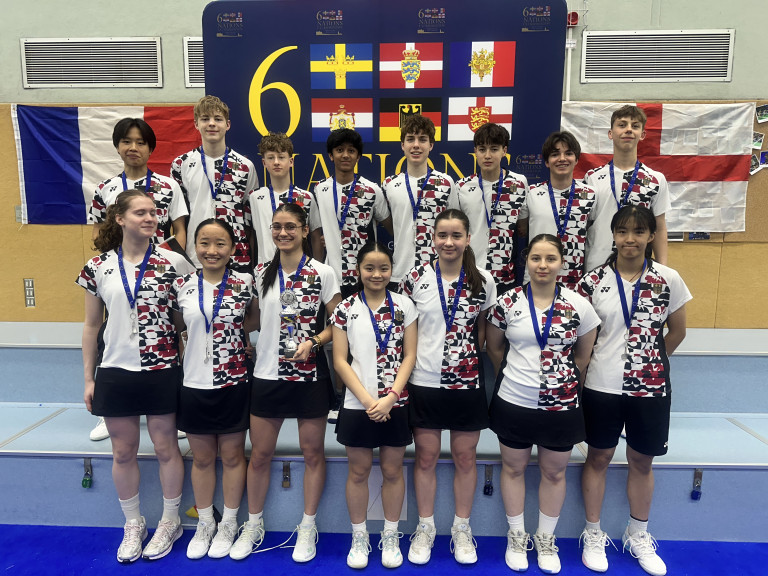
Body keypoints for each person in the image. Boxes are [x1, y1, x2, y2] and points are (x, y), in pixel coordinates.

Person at [577, 205, 691, 576]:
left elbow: (677, 332)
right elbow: (582, 338)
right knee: (598, 457)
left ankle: (637, 532)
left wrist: (649, 363)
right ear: (613, 235)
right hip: (601, 386)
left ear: (651, 236)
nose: (630, 239)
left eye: (639, 232)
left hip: (651, 387)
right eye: (623, 231)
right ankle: (593, 533)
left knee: (642, 460)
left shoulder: (668, 278)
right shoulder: (593, 282)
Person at [77, 189, 185, 563]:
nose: (150, 218)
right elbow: (92, 326)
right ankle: (133, 523)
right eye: (140, 212)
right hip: (116, 370)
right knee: (122, 451)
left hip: (161, 368)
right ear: (120, 219)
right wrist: (89, 379)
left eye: (154, 212)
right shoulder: (97, 267)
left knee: (165, 447)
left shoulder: (174, 263)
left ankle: (170, 521)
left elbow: (183, 320)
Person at [229, 203, 342, 562]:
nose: (283, 232)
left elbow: (339, 323)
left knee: (312, 453)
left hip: (309, 378)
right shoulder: (261, 272)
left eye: (291, 226)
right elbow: (252, 320)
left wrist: (315, 342)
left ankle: (307, 526)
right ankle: (253, 522)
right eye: (277, 226)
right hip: (267, 376)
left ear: (305, 231)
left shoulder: (324, 272)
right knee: (260, 454)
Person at [485, 234, 600, 574]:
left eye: (550, 258)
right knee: (514, 469)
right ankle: (516, 536)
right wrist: (515, 377)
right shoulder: (507, 303)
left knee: (554, 472)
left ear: (562, 263)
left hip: (560, 404)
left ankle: (546, 540)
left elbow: (583, 356)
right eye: (536, 258)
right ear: (526, 262)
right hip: (514, 400)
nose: (543, 265)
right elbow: (494, 349)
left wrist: (558, 383)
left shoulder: (580, 305)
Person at [402, 209, 496, 566]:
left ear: (468, 239)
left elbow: (485, 329)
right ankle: (425, 527)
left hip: (467, 382)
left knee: (465, 457)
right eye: (443, 235)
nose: (449, 242)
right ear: (433, 237)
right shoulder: (415, 278)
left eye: (456, 235)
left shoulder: (484, 281)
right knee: (426, 457)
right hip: (424, 381)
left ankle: (461, 528)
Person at [88, 117, 189, 443]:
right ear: (118, 146)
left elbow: (181, 232)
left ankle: (177, 408)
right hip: (120, 274)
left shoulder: (168, 186)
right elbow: (98, 234)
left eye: (141, 142)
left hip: (160, 274)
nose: (134, 147)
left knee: (177, 334)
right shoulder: (105, 189)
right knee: (110, 332)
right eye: (127, 141)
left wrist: (165, 262)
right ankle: (110, 413)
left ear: (150, 148)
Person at [170, 219, 258, 559]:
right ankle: (205, 522)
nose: (212, 250)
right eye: (205, 243)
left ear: (233, 249)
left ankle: (229, 524)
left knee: (234, 456)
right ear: (195, 247)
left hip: (233, 381)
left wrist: (241, 344)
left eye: (220, 244)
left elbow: (252, 320)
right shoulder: (182, 285)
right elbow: (177, 326)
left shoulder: (244, 282)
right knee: (203, 458)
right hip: (193, 382)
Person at [331, 242, 418, 569]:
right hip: (358, 404)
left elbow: (410, 355)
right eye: (370, 268)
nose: (377, 274)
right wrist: (369, 401)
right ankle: (359, 536)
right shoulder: (345, 308)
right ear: (358, 270)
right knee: (359, 471)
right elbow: (340, 360)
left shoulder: (405, 306)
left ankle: (391, 535)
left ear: (391, 270)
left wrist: (392, 396)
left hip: (396, 402)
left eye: (383, 268)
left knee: (393, 470)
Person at [172, 95, 259, 271]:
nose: (211, 123)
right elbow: (178, 219)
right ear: (196, 124)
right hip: (196, 255)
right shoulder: (181, 164)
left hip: (236, 256)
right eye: (205, 119)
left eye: (218, 119)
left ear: (228, 125)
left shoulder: (244, 166)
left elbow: (250, 218)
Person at [583, 105, 670, 273]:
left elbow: (659, 228)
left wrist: (662, 270)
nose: (629, 130)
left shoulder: (655, 179)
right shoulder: (592, 178)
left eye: (635, 126)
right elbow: (584, 226)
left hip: (638, 267)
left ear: (642, 135)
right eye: (622, 125)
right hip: (597, 266)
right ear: (610, 133)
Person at [311, 128, 392, 297]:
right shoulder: (320, 189)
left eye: (351, 150)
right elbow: (317, 231)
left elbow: (391, 227)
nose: (345, 155)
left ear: (358, 156)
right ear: (331, 155)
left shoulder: (372, 190)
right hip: (332, 275)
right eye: (340, 150)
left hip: (364, 276)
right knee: (336, 323)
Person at [382, 115, 457, 287]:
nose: (416, 145)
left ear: (431, 145)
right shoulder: (389, 185)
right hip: (399, 274)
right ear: (403, 145)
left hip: (438, 273)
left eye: (422, 139)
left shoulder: (446, 183)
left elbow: (455, 226)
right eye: (410, 139)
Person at [454, 122, 528, 295]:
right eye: (482, 149)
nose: (487, 155)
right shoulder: (462, 187)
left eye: (494, 149)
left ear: (504, 150)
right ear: (475, 151)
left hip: (504, 275)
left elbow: (522, 227)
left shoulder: (519, 183)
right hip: (470, 273)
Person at [518, 131, 597, 290]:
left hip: (575, 281)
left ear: (576, 159)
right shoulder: (531, 193)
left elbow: (591, 232)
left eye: (568, 153)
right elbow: (522, 229)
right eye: (555, 154)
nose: (562, 159)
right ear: (547, 162)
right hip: (536, 277)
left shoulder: (590, 194)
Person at [249, 132, 318, 264]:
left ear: (291, 161)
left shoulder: (306, 197)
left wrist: (316, 267)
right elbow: (251, 236)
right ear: (264, 162)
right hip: (265, 269)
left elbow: (315, 236)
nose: (276, 162)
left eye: (281, 157)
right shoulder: (254, 197)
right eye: (270, 158)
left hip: (299, 269)